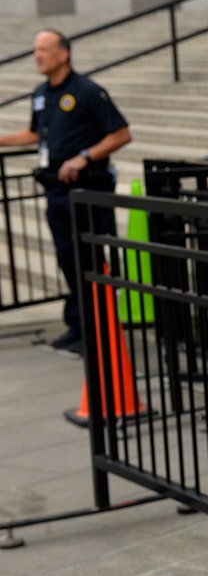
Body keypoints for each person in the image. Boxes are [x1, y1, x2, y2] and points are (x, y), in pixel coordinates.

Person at [0, 29, 132, 355]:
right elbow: (34, 134)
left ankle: (99, 330)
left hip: (85, 190)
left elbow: (121, 134)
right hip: (56, 191)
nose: (37, 56)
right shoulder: (41, 93)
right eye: (35, 50)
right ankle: (79, 326)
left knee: (88, 260)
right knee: (68, 260)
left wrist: (84, 156)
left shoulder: (87, 91)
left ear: (64, 54)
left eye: (44, 49)